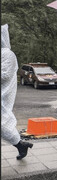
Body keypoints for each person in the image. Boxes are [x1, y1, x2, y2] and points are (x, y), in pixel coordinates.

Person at [1, 24, 33, 159]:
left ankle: (20, 144)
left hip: (3, 94)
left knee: (3, 123)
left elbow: (5, 75)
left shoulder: (8, 54)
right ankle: (21, 145)